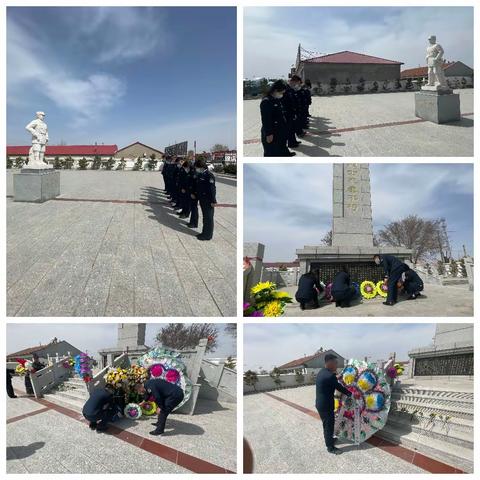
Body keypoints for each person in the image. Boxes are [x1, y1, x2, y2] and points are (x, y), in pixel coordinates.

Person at [315, 354, 352, 454]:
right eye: (335, 362)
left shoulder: (322, 372)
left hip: (321, 405)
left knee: (327, 425)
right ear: (329, 362)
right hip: (326, 407)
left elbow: (331, 380)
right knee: (328, 426)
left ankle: (330, 440)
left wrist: (336, 377)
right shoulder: (330, 376)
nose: (337, 364)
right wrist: (350, 393)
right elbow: (338, 387)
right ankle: (330, 447)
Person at [260, 80, 291, 157]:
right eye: (281, 93)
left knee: (281, 147)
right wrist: (269, 134)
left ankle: (286, 154)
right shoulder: (266, 101)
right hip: (272, 132)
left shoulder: (276, 99)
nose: (282, 95)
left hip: (279, 131)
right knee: (272, 152)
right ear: (275, 90)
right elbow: (266, 119)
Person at [195, 158, 217, 241]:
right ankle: (204, 232)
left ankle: (207, 235)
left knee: (208, 218)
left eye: (197, 167)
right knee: (205, 217)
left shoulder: (209, 175)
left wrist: (213, 201)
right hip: (202, 199)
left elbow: (212, 189)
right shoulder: (201, 174)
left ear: (201, 167)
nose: (196, 169)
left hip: (208, 200)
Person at [282, 75, 304, 151]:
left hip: (292, 112)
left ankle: (294, 141)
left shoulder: (291, 89)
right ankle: (291, 143)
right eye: (296, 83)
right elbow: (285, 102)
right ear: (293, 81)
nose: (296, 85)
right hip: (288, 112)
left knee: (292, 128)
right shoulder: (286, 89)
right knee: (289, 129)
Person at [187, 163, 199, 228]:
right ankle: (192, 222)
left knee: (194, 208)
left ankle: (194, 223)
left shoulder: (195, 174)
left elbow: (196, 185)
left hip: (194, 194)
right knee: (193, 208)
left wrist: (194, 193)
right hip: (191, 193)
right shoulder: (193, 173)